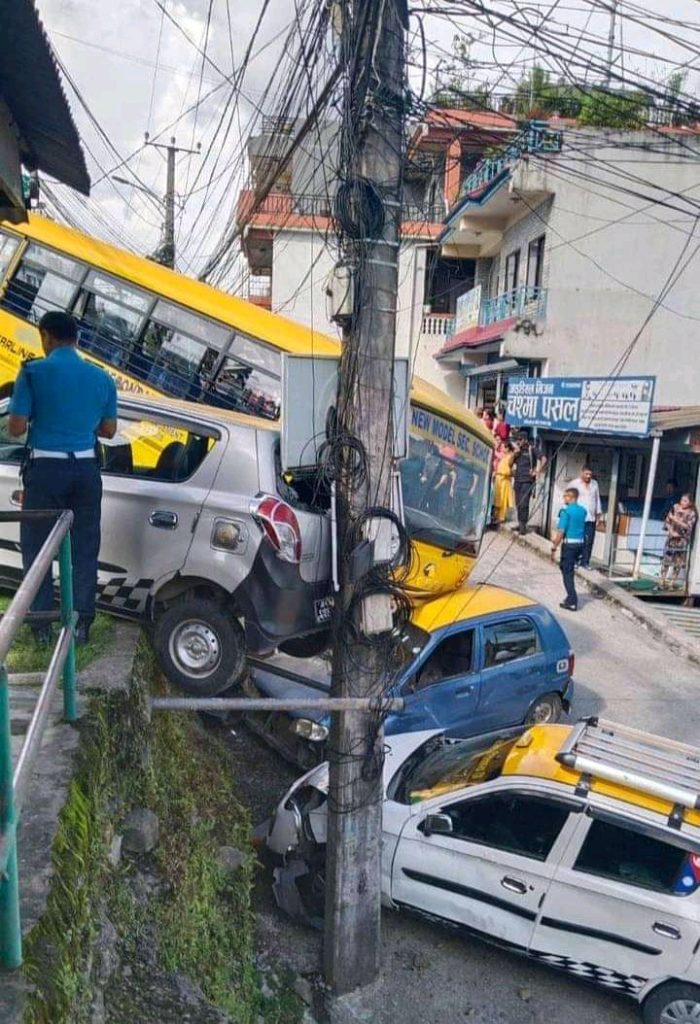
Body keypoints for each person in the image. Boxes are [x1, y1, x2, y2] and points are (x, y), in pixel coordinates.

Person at [8, 311, 117, 645]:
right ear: (76, 340)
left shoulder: (33, 372)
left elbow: (15, 428)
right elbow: (109, 430)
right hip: (86, 471)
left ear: (46, 337)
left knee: (38, 547)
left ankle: (40, 626)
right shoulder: (102, 378)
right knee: (84, 547)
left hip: (46, 471)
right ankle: (80, 625)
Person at [550, 487, 587, 611]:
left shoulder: (566, 512)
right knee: (567, 568)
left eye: (565, 496)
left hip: (569, 545)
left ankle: (572, 600)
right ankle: (570, 597)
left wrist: (554, 546)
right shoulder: (583, 511)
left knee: (567, 573)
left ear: (571, 497)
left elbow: (561, 531)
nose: (563, 498)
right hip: (580, 545)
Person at [659, 493, 698, 590]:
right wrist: (671, 531)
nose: (682, 502)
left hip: (681, 540)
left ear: (690, 503)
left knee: (677, 562)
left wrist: (676, 520)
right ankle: (661, 581)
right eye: (682, 500)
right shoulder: (675, 507)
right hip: (671, 538)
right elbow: (668, 520)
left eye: (685, 501)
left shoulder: (692, 513)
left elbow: (688, 527)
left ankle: (671, 583)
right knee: (666, 560)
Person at [511, 431, 547, 534]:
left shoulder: (532, 449)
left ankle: (523, 526)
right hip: (517, 480)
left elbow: (544, 459)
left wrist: (537, 471)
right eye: (517, 440)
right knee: (518, 503)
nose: (519, 442)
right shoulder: (517, 451)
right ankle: (520, 523)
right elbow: (509, 463)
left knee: (524, 503)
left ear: (525, 440)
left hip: (527, 480)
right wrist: (515, 453)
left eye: (520, 440)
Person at [567, 465, 602, 568]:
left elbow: (597, 500)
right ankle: (574, 561)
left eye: (590, 474)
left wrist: (598, 516)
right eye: (586, 474)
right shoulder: (574, 484)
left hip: (590, 518)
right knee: (577, 540)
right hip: (578, 518)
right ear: (582, 473)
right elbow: (568, 498)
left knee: (589, 541)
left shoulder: (594, 484)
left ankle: (585, 562)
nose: (588, 476)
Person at [492, 440, 515, 525]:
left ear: (508, 448)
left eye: (504, 447)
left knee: (503, 499)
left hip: (505, 479)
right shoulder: (504, 456)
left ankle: (501, 517)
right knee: (497, 498)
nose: (503, 449)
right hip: (499, 478)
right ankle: (495, 515)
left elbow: (510, 467)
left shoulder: (510, 456)